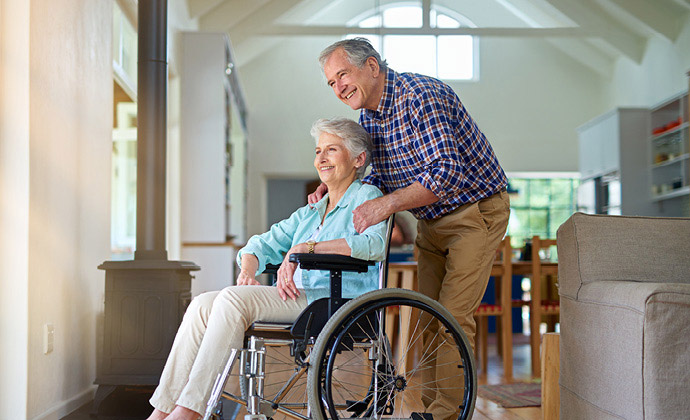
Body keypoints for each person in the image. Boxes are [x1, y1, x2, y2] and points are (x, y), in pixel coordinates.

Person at [313, 38, 510, 420]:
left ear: (372, 66)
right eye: (331, 83)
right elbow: (376, 176)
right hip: (431, 219)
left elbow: (446, 172)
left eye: (343, 75)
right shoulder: (370, 117)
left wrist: (385, 205)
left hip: (476, 211)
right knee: (428, 315)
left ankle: (445, 415)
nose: (338, 88)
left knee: (453, 317)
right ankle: (431, 411)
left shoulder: (421, 96)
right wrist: (332, 185)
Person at [146, 117, 387, 420]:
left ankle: (190, 411)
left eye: (332, 150)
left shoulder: (367, 197)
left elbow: (374, 245)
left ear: (358, 159)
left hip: (335, 300)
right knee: (202, 304)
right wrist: (248, 272)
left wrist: (304, 249)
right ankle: (162, 410)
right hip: (300, 298)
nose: (321, 159)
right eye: (317, 151)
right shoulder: (312, 211)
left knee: (232, 300)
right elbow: (257, 246)